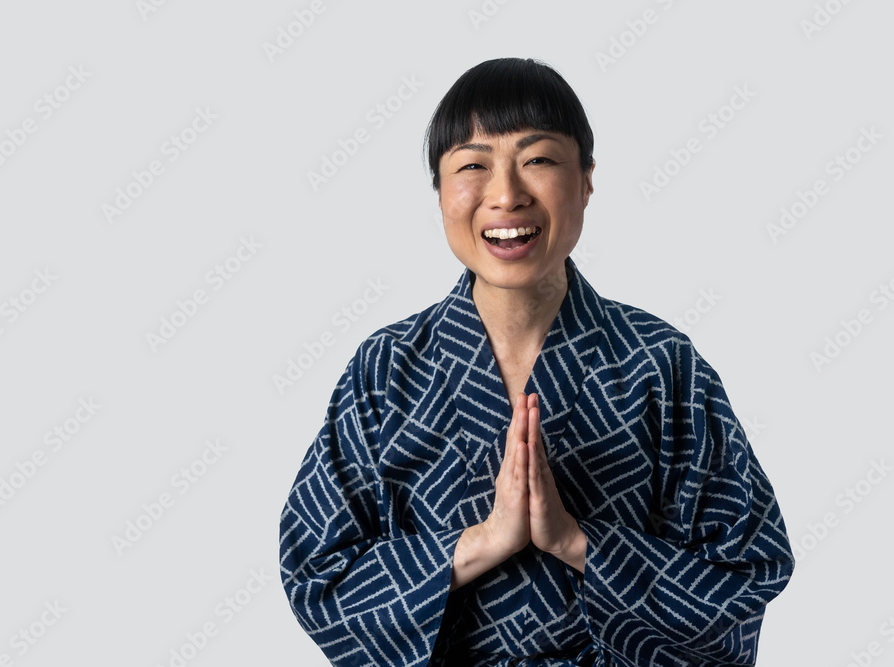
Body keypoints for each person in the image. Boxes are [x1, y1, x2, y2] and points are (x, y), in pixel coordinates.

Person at [279, 57, 794, 666]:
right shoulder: (386, 370)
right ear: (440, 192)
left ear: (587, 179)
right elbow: (317, 573)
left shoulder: (662, 365)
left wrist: (578, 543)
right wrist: (481, 543)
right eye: (473, 165)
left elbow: (749, 565)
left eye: (539, 160)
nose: (506, 195)